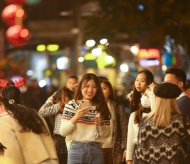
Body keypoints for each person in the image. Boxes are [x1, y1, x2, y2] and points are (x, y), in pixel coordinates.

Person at [0, 83, 58, 164]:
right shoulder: (35, 114)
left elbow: (11, 150)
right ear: (20, 98)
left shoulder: (4, 120)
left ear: (2, 103)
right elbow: (49, 139)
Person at [60, 73, 111, 164]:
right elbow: (63, 132)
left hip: (96, 150)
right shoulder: (71, 105)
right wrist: (76, 117)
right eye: (86, 86)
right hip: (76, 149)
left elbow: (107, 135)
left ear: (98, 89)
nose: (90, 90)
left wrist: (101, 123)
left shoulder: (101, 107)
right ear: (80, 87)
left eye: (94, 87)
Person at [134, 82, 190, 163]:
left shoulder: (146, 122)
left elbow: (140, 153)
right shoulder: (183, 121)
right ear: (174, 100)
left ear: (156, 98)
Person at [125, 70, 154, 164]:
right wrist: (129, 158)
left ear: (149, 83)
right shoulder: (134, 109)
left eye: (142, 80)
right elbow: (131, 137)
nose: (138, 83)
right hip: (137, 152)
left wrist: (151, 93)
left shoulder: (154, 103)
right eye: (137, 80)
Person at [39, 86, 74, 164]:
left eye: (66, 96)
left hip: (72, 138)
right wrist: (51, 99)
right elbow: (42, 112)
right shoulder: (58, 107)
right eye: (61, 97)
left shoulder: (73, 107)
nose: (64, 99)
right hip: (60, 139)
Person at [100, 79, 128, 164]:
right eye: (99, 89)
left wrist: (125, 148)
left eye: (104, 88)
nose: (101, 91)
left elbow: (124, 128)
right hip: (96, 149)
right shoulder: (92, 106)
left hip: (114, 149)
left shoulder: (117, 107)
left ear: (110, 91)